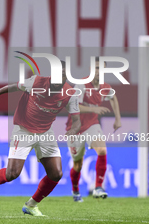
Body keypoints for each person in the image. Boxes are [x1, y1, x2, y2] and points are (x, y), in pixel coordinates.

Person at [0, 63, 81, 217]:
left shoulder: (70, 94)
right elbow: (15, 86)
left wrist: (73, 130)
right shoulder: (37, 82)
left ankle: (31, 205)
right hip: (24, 129)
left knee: (56, 173)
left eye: (63, 75)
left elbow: (77, 120)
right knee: (12, 173)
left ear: (66, 77)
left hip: (46, 132)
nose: (59, 78)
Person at [65, 57, 121, 202]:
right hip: (75, 128)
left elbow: (113, 98)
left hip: (92, 125)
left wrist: (118, 118)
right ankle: (76, 190)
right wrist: (95, 108)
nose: (98, 71)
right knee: (78, 164)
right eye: (96, 68)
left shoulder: (104, 87)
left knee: (102, 150)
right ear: (91, 70)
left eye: (101, 68)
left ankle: (98, 187)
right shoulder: (82, 85)